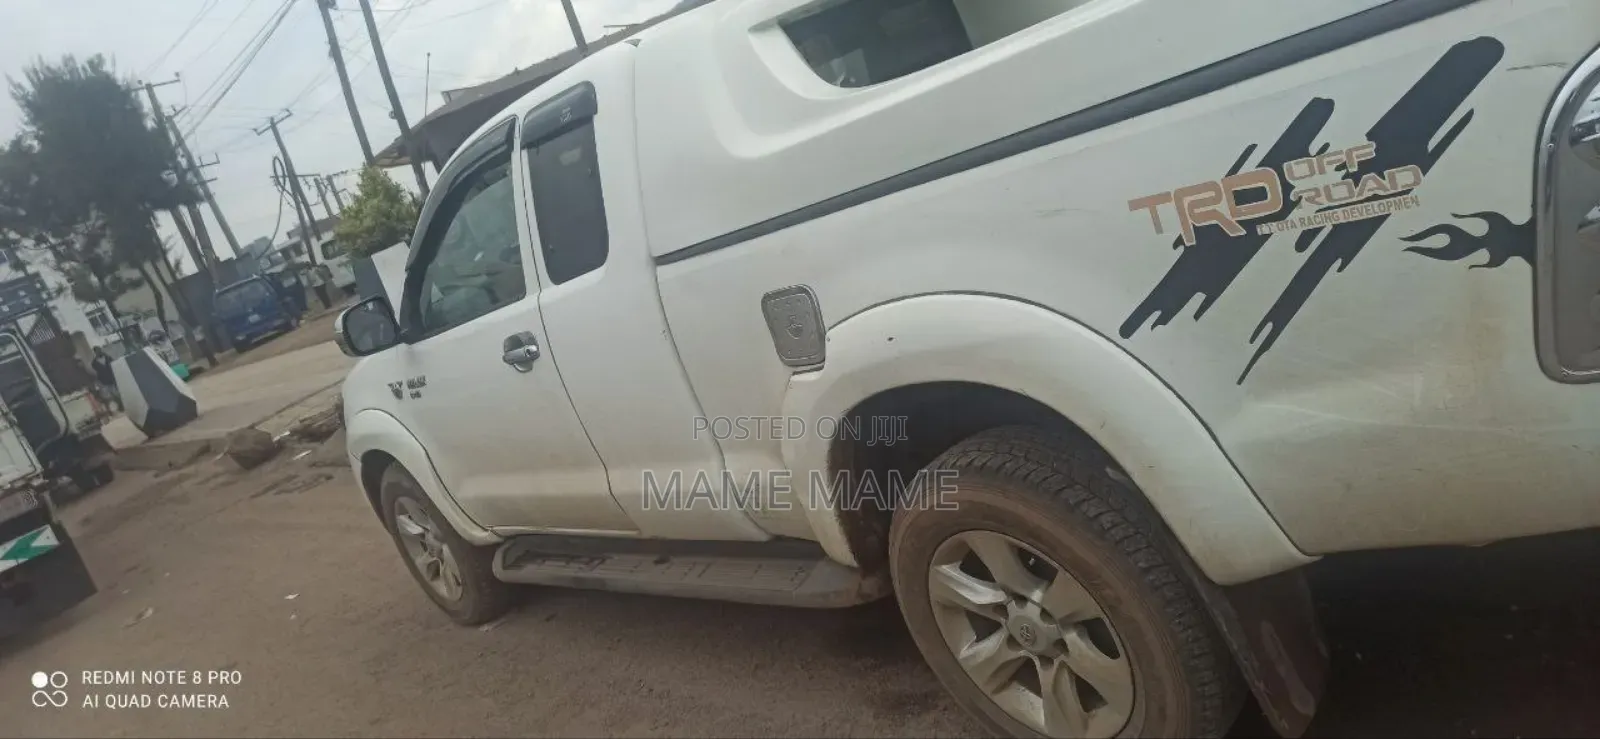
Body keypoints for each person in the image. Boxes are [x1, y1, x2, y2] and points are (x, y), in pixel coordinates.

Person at [89, 347, 121, 413]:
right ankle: (114, 410)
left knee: (117, 394)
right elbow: (95, 372)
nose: (99, 352)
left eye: (99, 350)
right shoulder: (94, 363)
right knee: (109, 397)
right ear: (95, 352)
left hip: (113, 379)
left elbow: (114, 365)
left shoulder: (108, 358)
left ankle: (121, 407)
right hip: (104, 382)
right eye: (97, 351)